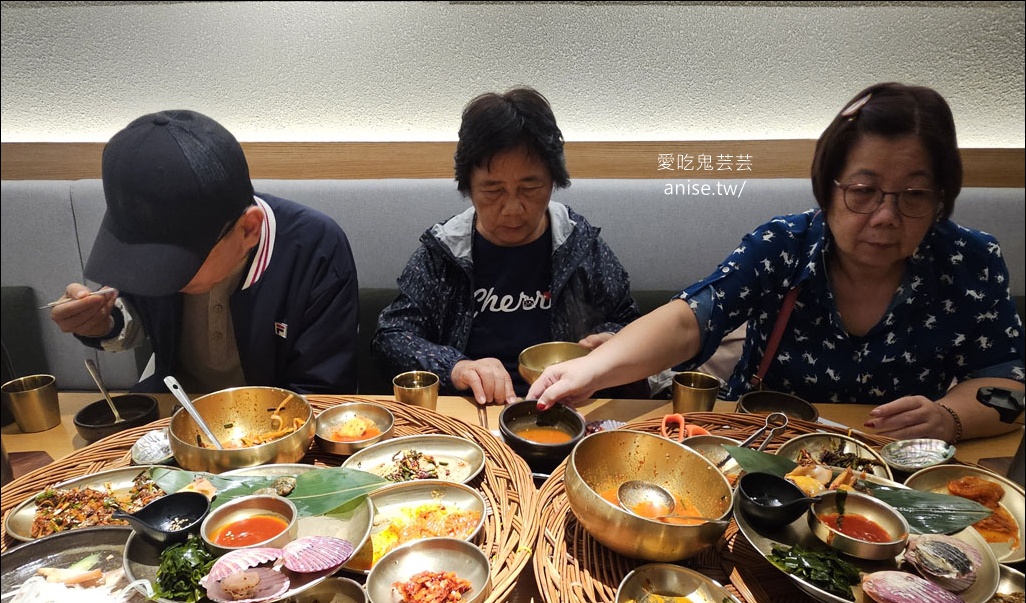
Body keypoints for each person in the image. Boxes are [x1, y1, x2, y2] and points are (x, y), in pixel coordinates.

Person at [529, 83, 1025, 443]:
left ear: (942, 197)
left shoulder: (969, 262)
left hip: (890, 470)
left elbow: (1007, 384)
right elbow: (689, 320)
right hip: (757, 451)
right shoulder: (784, 244)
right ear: (827, 187)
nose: (886, 217)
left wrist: (948, 419)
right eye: (863, 191)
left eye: (914, 195)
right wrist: (591, 370)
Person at [50, 109, 360, 394]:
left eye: (173, 263)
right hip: (177, 411)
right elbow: (136, 310)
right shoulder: (149, 231)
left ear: (249, 229)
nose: (156, 275)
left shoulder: (316, 249)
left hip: (280, 427)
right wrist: (102, 322)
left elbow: (323, 392)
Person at [371, 87, 645, 405]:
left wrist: (610, 343)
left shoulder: (578, 244)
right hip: (472, 415)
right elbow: (390, 338)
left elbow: (631, 323)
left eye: (530, 186)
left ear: (553, 180)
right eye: (492, 189)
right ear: (468, 186)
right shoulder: (444, 252)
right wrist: (456, 367)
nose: (513, 208)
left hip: (568, 411)